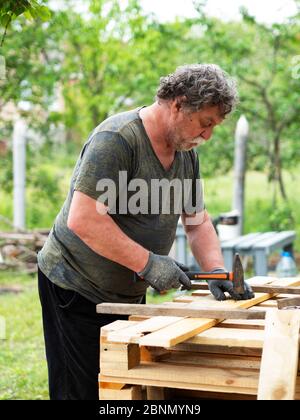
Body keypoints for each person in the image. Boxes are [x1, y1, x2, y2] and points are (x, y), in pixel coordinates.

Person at [37, 63, 254, 400]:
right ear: (179, 104)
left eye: (214, 127)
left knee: (123, 388)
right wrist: (149, 264)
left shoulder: (186, 155)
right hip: (75, 285)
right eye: (205, 123)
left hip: (127, 290)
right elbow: (82, 219)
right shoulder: (118, 140)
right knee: (81, 390)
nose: (208, 135)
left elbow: (196, 220)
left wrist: (214, 269)